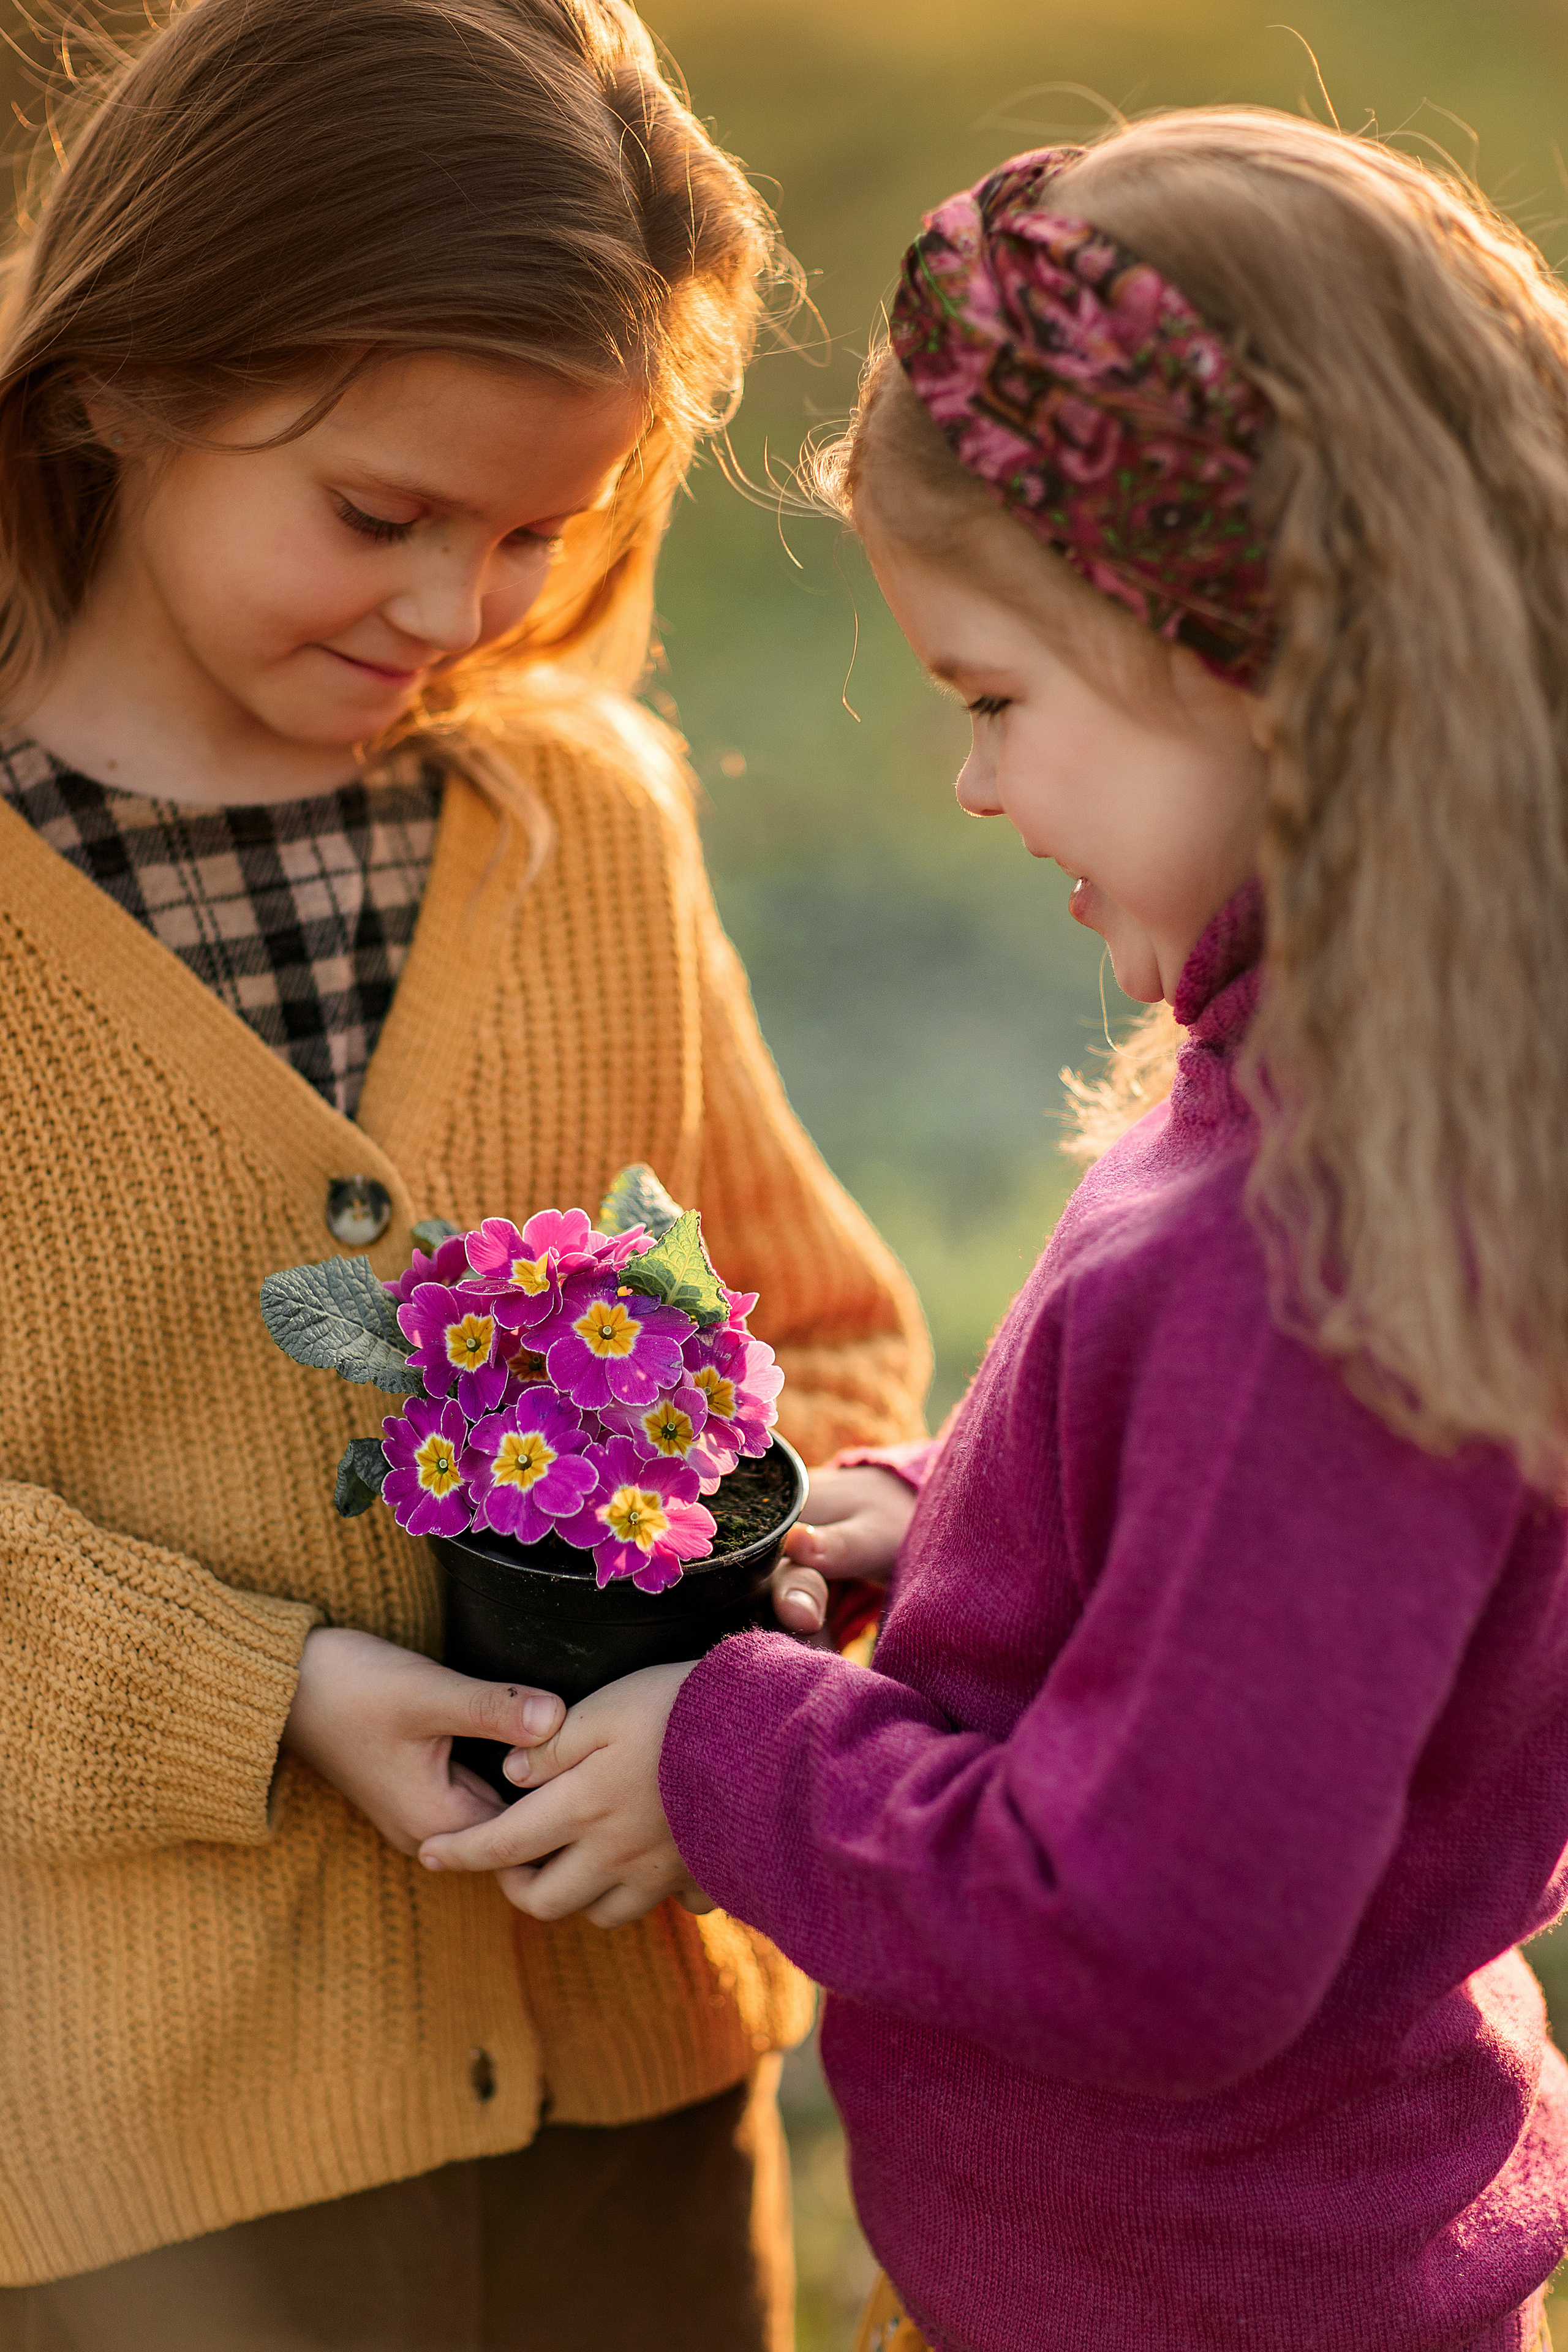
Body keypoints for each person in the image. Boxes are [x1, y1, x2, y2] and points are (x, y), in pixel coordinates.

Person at [417, 112, 1568, 2350]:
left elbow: (1151, 1928)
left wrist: (728, 1748)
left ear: (1246, 650)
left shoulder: (1317, 1271)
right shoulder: (1345, 1095)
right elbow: (1205, 1572)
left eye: (997, 701)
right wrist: (917, 1521)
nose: (970, 781)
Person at [0, 3, 932, 2345]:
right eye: (379, 514)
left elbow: (811, 1333)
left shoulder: (580, 821)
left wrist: (783, 1559)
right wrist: (264, 1689)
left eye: (541, 528)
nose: (456, 612)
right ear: (115, 383)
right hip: (149, 2174)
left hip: (634, 2091)